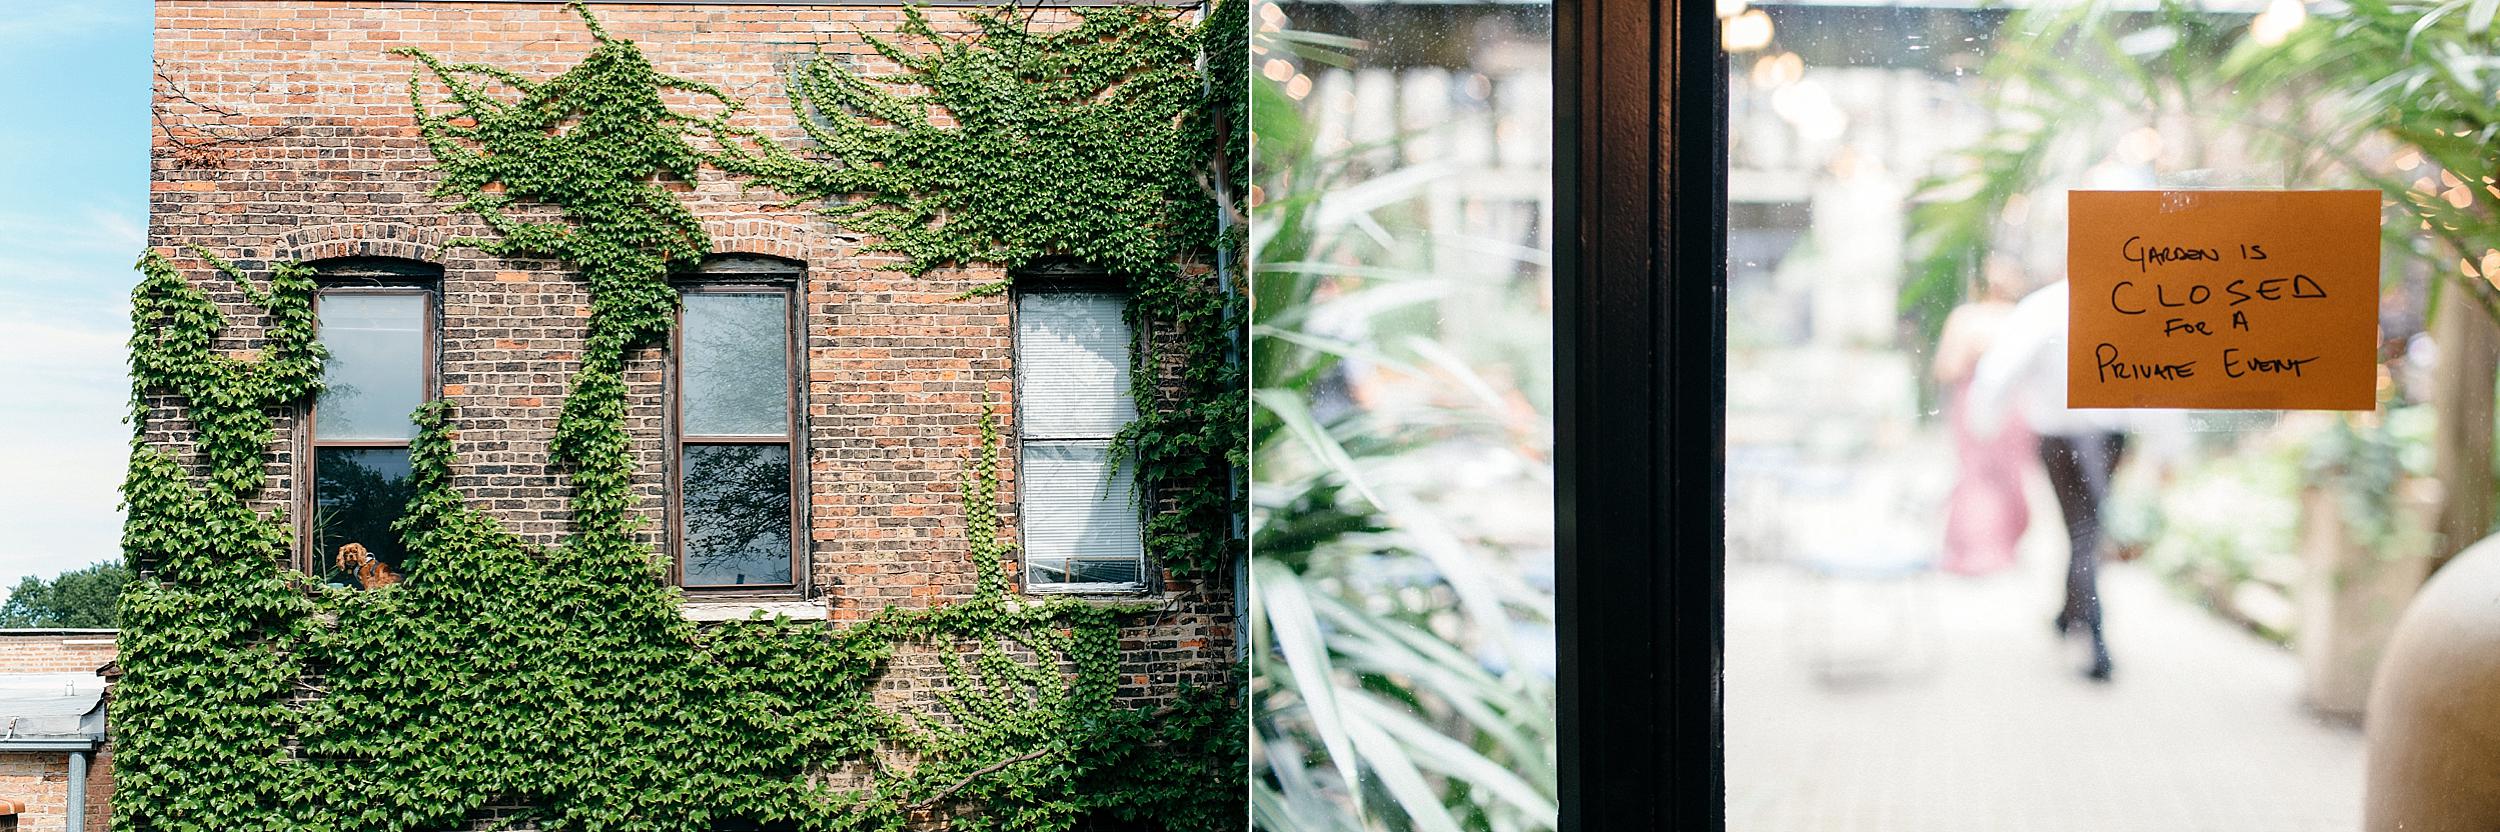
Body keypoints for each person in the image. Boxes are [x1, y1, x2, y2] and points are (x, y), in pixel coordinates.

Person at [1967, 276, 2132, 682]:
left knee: (2082, 532)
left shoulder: (2046, 306)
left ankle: (2072, 618)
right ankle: (2093, 638)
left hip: (2070, 438)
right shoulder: (2106, 299)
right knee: (2086, 533)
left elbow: (1999, 372)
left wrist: (1983, 423)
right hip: (2089, 438)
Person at [1932, 258, 2034, 577]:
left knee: (2010, 475)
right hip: (1974, 401)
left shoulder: (2026, 317)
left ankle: (2001, 548)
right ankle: (1974, 549)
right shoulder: (1966, 318)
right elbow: (1945, 368)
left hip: (2015, 407)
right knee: (1976, 475)